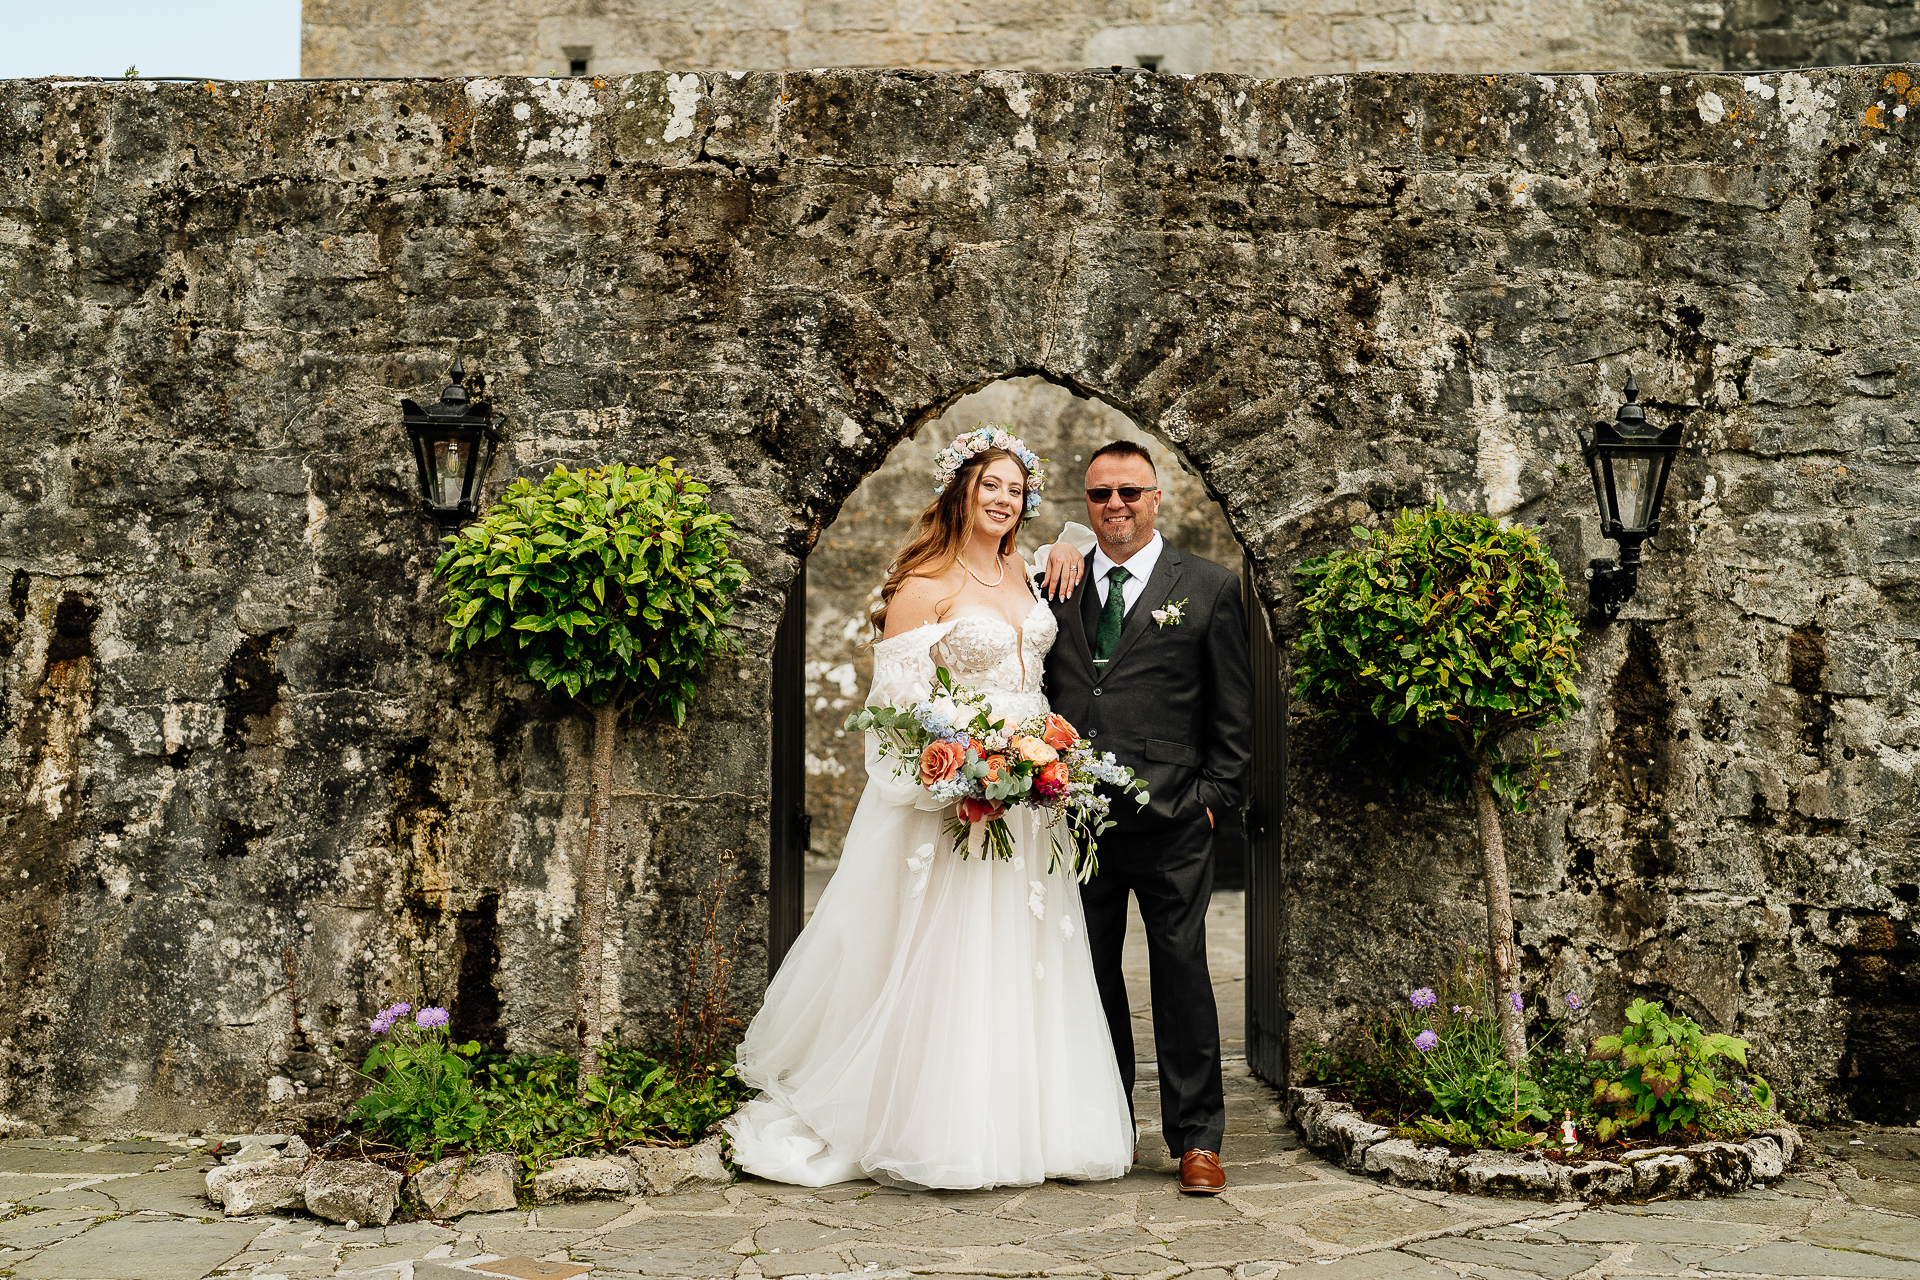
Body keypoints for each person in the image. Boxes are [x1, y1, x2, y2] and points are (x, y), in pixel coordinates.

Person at [723, 427, 1130, 1190]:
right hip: (962, 800)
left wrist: (1040, 754)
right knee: (956, 957)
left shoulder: (1031, 572)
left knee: (1028, 957)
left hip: (1033, 797)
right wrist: (967, 772)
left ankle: (1033, 1128)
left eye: (1016, 489)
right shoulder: (924, 583)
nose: (1004, 500)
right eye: (991, 487)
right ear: (962, 492)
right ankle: (936, 1126)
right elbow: (896, 712)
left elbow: (1070, 559)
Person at [1037, 440, 1253, 1195]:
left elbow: (1234, 710)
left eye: (1130, 492)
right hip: (1075, 822)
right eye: (1100, 495)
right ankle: (1109, 1127)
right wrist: (1058, 542)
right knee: (1089, 977)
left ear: (1157, 498)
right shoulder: (1052, 581)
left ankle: (1198, 1138)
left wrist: (1214, 801)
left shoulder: (1210, 586)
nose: (1116, 506)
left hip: (1173, 820)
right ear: (1084, 503)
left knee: (1182, 974)